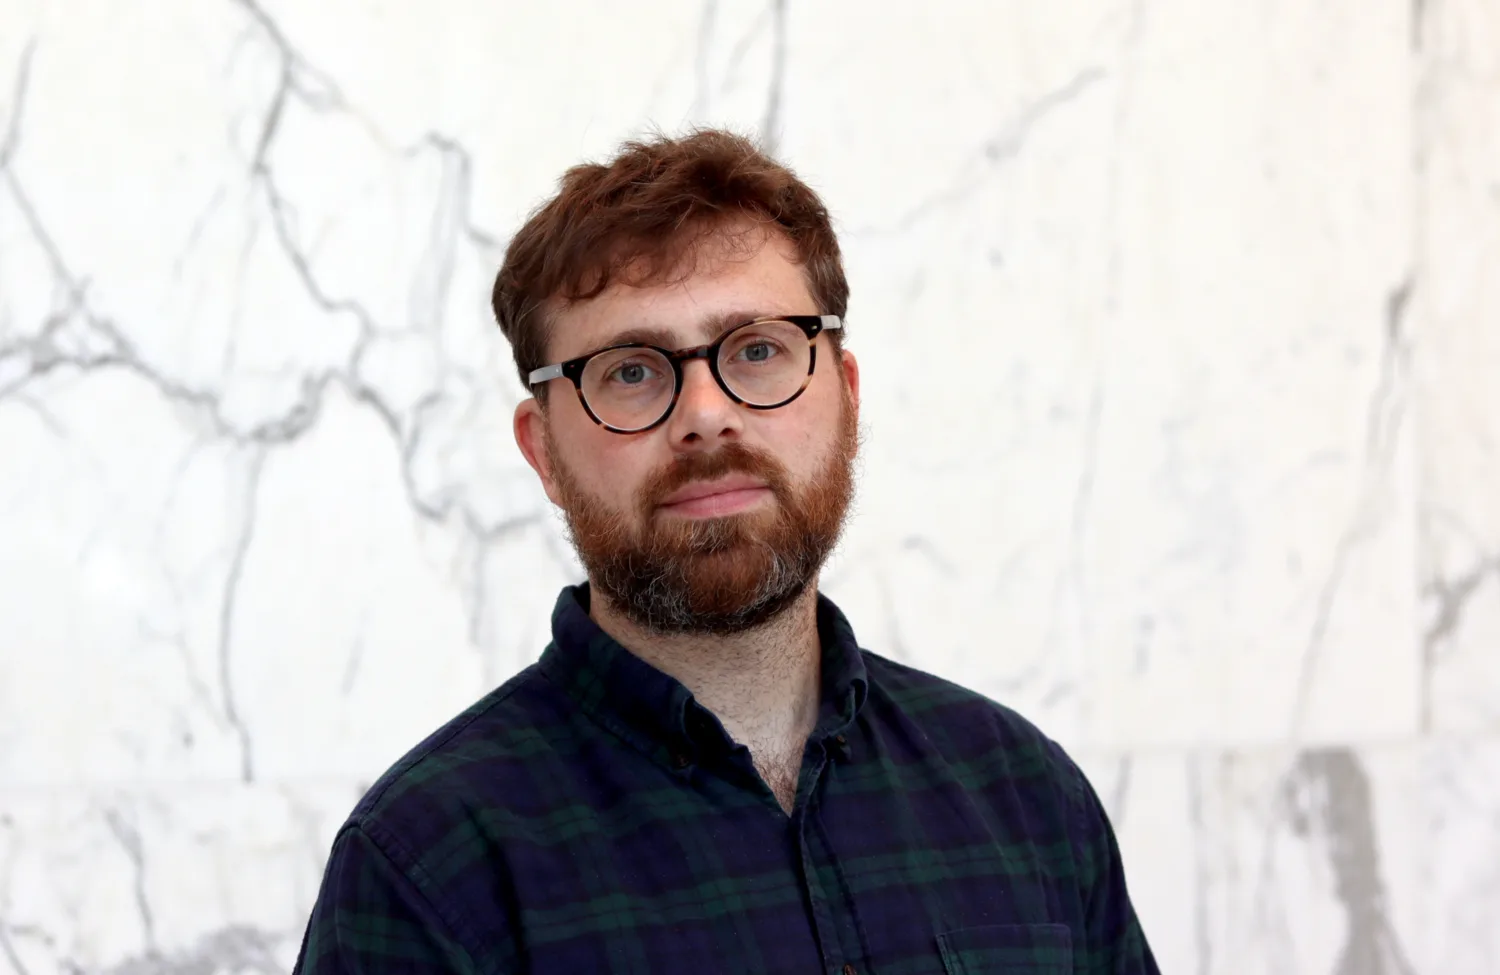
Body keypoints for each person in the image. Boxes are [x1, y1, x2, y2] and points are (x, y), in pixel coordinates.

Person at [293, 129, 1159, 974]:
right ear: (543, 450)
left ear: (846, 396)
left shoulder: (1024, 796)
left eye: (757, 350)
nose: (707, 413)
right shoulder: (426, 869)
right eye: (632, 370)